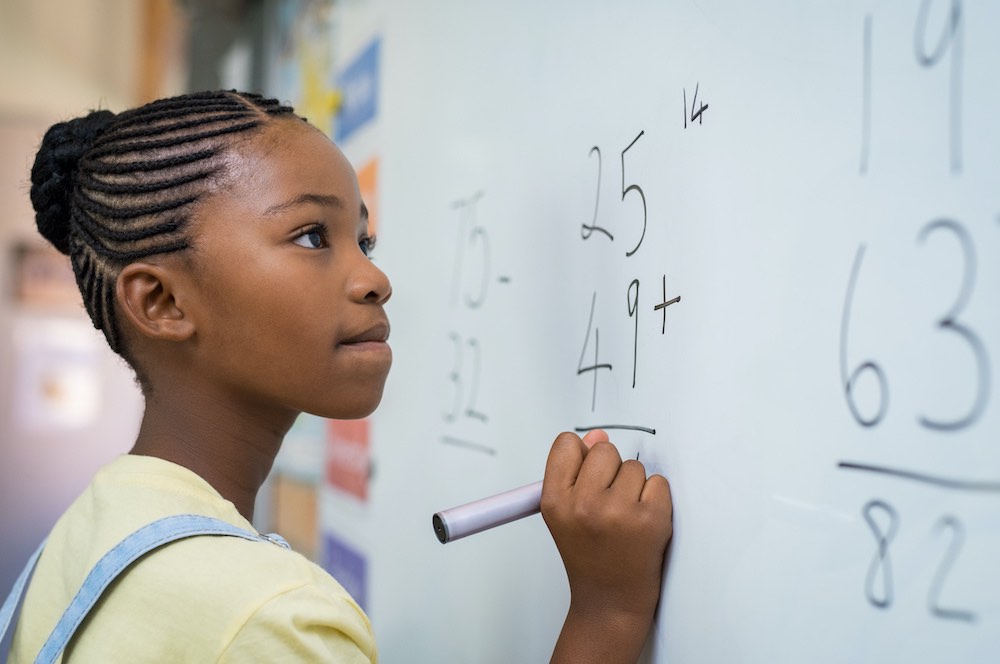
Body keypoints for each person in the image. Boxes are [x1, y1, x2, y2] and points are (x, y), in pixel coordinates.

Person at [3, 90, 673, 663]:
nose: (375, 279)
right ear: (163, 303)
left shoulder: (94, 527)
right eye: (311, 238)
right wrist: (607, 613)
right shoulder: (266, 618)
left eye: (364, 241)